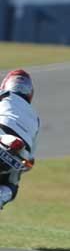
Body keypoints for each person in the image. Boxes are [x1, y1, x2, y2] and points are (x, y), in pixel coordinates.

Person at [0, 69, 39, 210]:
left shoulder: (4, 95)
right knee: (12, 187)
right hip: (19, 155)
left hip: (4, 140)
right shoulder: (36, 118)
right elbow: (31, 161)